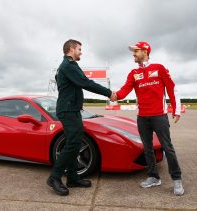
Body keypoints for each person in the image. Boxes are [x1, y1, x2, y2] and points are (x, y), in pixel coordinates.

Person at [113, 41, 184, 196]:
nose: (133, 54)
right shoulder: (133, 73)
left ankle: (177, 179)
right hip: (142, 117)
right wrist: (113, 95)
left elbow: (172, 88)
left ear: (145, 51)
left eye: (136, 51)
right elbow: (124, 91)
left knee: (167, 147)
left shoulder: (159, 68)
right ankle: (153, 177)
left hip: (159, 116)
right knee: (147, 148)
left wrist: (176, 110)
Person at [46, 39, 115, 196]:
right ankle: (54, 177)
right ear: (71, 49)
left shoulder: (68, 66)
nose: (81, 52)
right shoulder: (68, 65)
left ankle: (72, 177)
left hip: (72, 109)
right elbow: (86, 83)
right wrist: (109, 93)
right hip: (68, 110)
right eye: (79, 49)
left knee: (74, 143)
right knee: (73, 144)